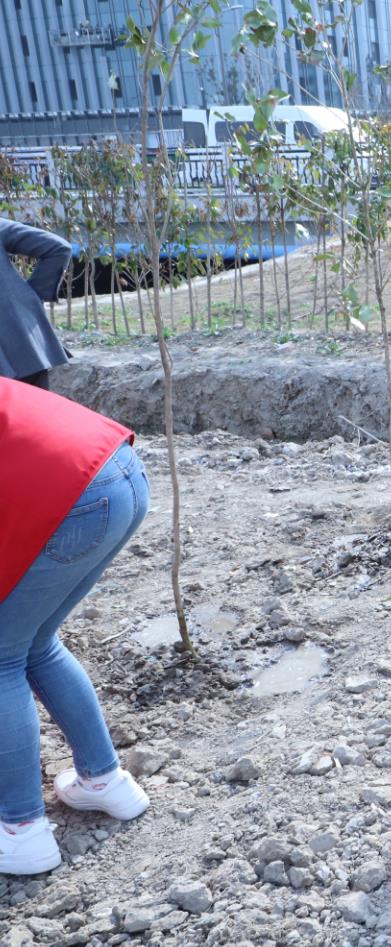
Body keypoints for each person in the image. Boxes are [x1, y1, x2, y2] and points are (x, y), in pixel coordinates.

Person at [0, 379, 151, 876]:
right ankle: (105, 782)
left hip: (73, 497)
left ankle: (21, 832)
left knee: (1, 657)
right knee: (35, 644)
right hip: (119, 468)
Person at [0, 217, 73, 390]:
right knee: (33, 407)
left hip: (19, 353)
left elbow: (57, 248)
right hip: (23, 348)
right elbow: (58, 248)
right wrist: (28, 299)